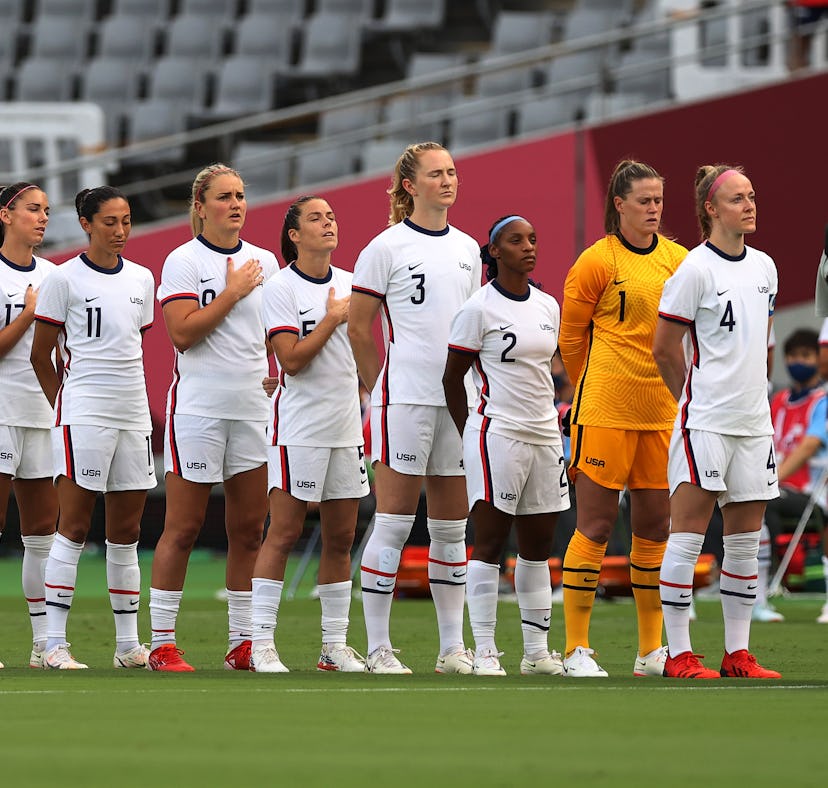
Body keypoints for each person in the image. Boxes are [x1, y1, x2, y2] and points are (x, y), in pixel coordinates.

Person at [348, 141, 481, 674]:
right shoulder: (385, 247)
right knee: (394, 523)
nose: (448, 181)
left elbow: (474, 329)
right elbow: (359, 327)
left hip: (458, 404)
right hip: (403, 401)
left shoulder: (470, 249)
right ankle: (379, 647)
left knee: (452, 531)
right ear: (410, 185)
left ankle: (453, 648)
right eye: (435, 174)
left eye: (452, 172)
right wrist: (381, 385)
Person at [557, 160, 688, 677]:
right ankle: (576, 649)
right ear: (619, 204)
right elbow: (571, 339)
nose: (654, 209)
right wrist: (589, 389)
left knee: (656, 526)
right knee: (595, 523)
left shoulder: (679, 260)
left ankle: (650, 650)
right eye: (644, 201)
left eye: (658, 200)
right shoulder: (596, 261)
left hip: (661, 410)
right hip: (606, 408)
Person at [148, 163, 278, 672]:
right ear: (200, 206)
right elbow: (182, 334)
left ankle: (241, 643)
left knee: (249, 530)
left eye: (241, 195)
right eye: (225, 196)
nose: (237, 204)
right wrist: (231, 292)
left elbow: (273, 335)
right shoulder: (182, 260)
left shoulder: (264, 260)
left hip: (251, 407)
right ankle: (162, 643)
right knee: (182, 527)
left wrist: (278, 373)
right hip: (198, 408)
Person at [653, 164, 781, 679]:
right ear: (711, 208)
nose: (749, 205)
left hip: (754, 423)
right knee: (686, 536)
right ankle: (679, 654)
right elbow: (663, 348)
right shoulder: (694, 269)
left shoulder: (766, 267)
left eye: (751, 196)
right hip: (704, 421)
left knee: (745, 541)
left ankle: (737, 653)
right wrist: (694, 399)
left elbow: (764, 343)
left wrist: (756, 395)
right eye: (737, 198)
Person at [30, 186, 156, 669]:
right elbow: (42, 354)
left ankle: (128, 645)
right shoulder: (64, 280)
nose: (120, 231)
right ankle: (54, 644)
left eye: (125, 221)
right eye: (109, 222)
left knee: (126, 533)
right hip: (84, 412)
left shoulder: (142, 278)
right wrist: (65, 405)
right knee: (75, 526)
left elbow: (131, 344)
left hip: (133, 414)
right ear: (86, 223)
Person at [443, 215, 569, 676]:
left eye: (533, 239)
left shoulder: (547, 304)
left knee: (538, 546)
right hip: (499, 432)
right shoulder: (478, 308)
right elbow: (452, 378)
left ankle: (536, 654)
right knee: (491, 542)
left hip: (544, 434)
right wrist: (468, 432)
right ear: (494, 251)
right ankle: (486, 651)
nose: (528, 247)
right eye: (516, 241)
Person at [250, 196, 368, 673]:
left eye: (332, 216)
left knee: (341, 536)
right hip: (299, 426)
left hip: (345, 425)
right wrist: (333, 318)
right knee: (284, 531)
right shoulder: (280, 287)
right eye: (316, 218)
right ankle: (261, 644)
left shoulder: (352, 283)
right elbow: (292, 361)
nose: (328, 223)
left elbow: (362, 352)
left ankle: (333, 647)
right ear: (294, 235)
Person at [0, 182, 57, 669]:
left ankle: (45, 643)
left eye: (45, 211)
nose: (41, 218)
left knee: (42, 534)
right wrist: (27, 316)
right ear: (5, 215)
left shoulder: (56, 275)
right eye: (32, 210)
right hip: (0, 413)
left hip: (43, 415)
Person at [767, 328, 828, 623]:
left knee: (765, 501)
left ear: (819, 358)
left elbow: (807, 448)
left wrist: (770, 479)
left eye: (805, 355)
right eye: (791, 356)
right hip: (773, 484)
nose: (797, 361)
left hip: (808, 493)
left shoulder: (822, 402)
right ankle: (720, 573)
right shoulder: (778, 400)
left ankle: (766, 579)